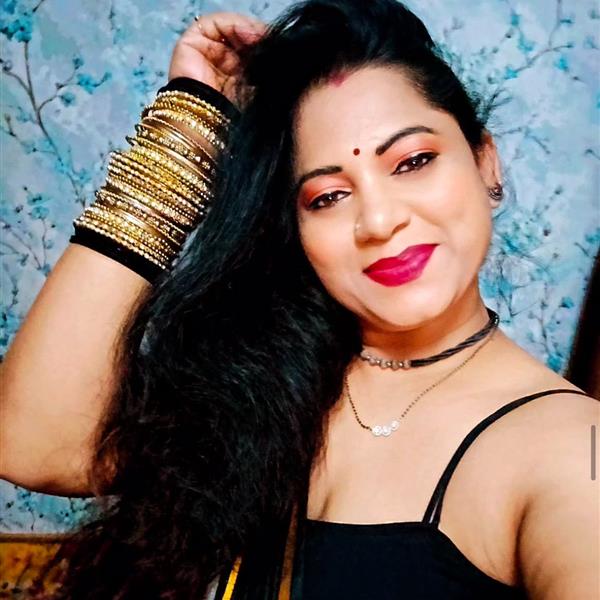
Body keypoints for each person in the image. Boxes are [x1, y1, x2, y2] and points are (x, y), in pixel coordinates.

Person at [0, 1, 598, 598]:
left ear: (485, 160)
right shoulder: (259, 384)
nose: (379, 221)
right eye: (328, 197)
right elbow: (34, 443)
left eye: (413, 162)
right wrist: (186, 131)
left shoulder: (572, 448)